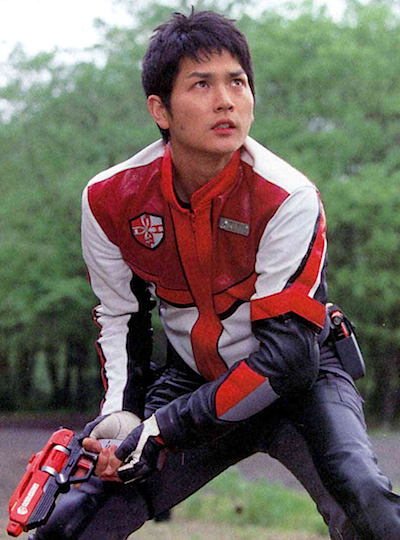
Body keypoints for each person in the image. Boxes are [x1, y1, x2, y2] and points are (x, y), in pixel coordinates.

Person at [32, 10, 400, 540]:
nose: (226, 100)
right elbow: (119, 316)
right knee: (69, 518)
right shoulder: (109, 198)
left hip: (299, 380)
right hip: (191, 379)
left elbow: (287, 360)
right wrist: (123, 417)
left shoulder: (289, 197)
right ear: (160, 109)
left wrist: (163, 430)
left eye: (238, 82)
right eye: (201, 84)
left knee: (369, 504)